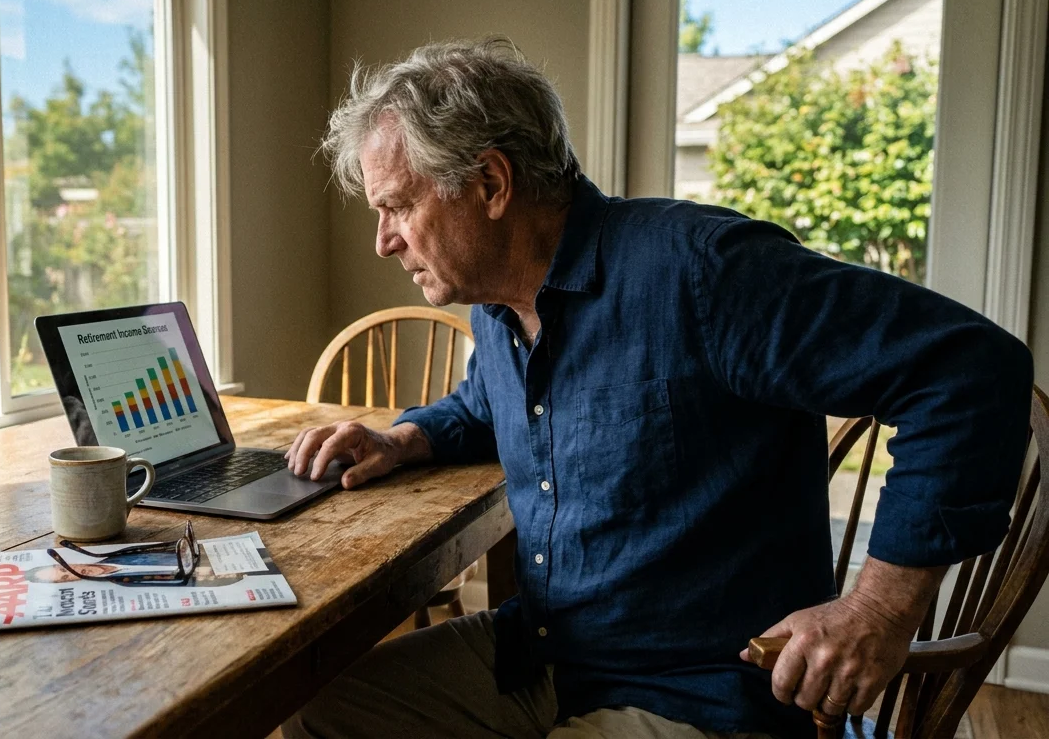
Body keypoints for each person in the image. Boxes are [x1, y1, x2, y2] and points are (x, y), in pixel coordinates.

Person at [281, 37, 1032, 739]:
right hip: (552, 650)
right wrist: (403, 437)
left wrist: (878, 609)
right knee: (327, 711)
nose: (384, 240)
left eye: (398, 207)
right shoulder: (501, 307)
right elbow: (488, 403)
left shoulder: (704, 273)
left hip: (704, 688)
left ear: (490, 183)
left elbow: (969, 371)